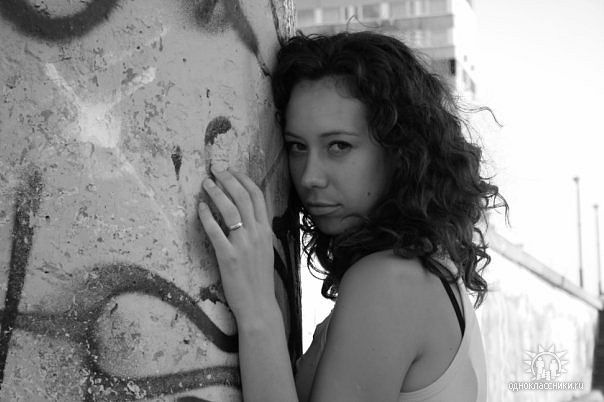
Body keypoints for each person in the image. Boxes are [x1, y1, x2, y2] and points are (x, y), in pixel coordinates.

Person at [197, 31, 508, 402]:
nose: (310, 176)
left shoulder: (390, 281)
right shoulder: (426, 270)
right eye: (297, 146)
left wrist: (256, 309)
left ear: (400, 151)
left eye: (338, 146)